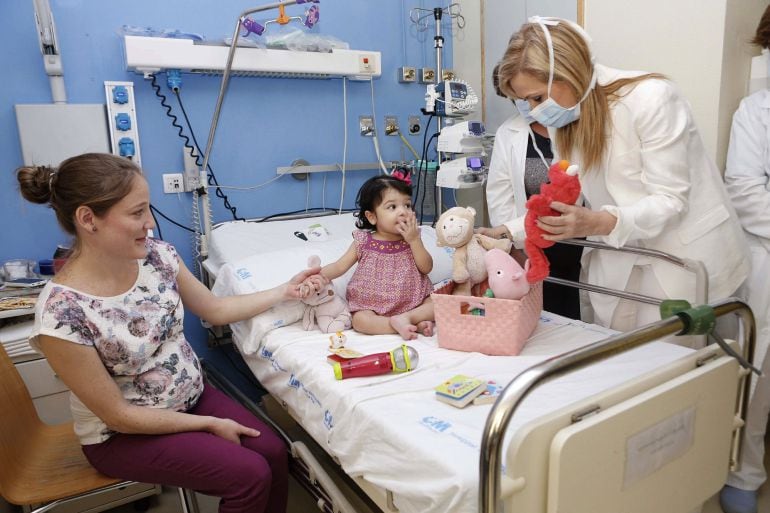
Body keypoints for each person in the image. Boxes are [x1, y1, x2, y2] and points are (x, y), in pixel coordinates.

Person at [16, 153, 325, 513]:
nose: (149, 223)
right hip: (121, 435)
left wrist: (284, 290)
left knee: (272, 452)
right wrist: (207, 424)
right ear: (88, 219)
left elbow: (215, 309)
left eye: (148, 209)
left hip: (192, 397)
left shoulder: (156, 257)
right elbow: (117, 415)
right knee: (249, 474)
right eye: (136, 213)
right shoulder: (62, 312)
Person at [495, 16, 750, 339]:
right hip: (623, 256)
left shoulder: (652, 99)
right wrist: (509, 230)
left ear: (568, 73)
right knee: (622, 361)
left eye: (536, 98)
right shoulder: (566, 122)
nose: (533, 110)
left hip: (682, 257)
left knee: (684, 370)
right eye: (526, 101)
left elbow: (671, 201)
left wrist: (598, 223)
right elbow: (564, 193)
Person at [480, 63, 583, 319]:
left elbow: (584, 189)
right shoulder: (509, 132)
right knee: (542, 316)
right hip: (530, 241)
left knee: (581, 312)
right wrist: (511, 240)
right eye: (515, 99)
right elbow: (500, 193)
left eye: (532, 97)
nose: (525, 104)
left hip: (581, 238)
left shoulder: (571, 123)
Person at [719, 7, 770, 513]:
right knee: (758, 376)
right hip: (768, 258)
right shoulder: (756, 111)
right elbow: (745, 190)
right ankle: (745, 472)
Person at [317, 175, 434, 341]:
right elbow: (339, 266)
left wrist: (414, 240)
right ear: (372, 217)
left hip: (413, 301)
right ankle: (402, 324)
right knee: (360, 321)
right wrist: (317, 275)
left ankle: (408, 318)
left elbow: (426, 267)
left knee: (437, 303)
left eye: (407, 205)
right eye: (392, 207)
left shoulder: (413, 239)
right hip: (372, 305)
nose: (403, 211)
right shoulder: (363, 241)